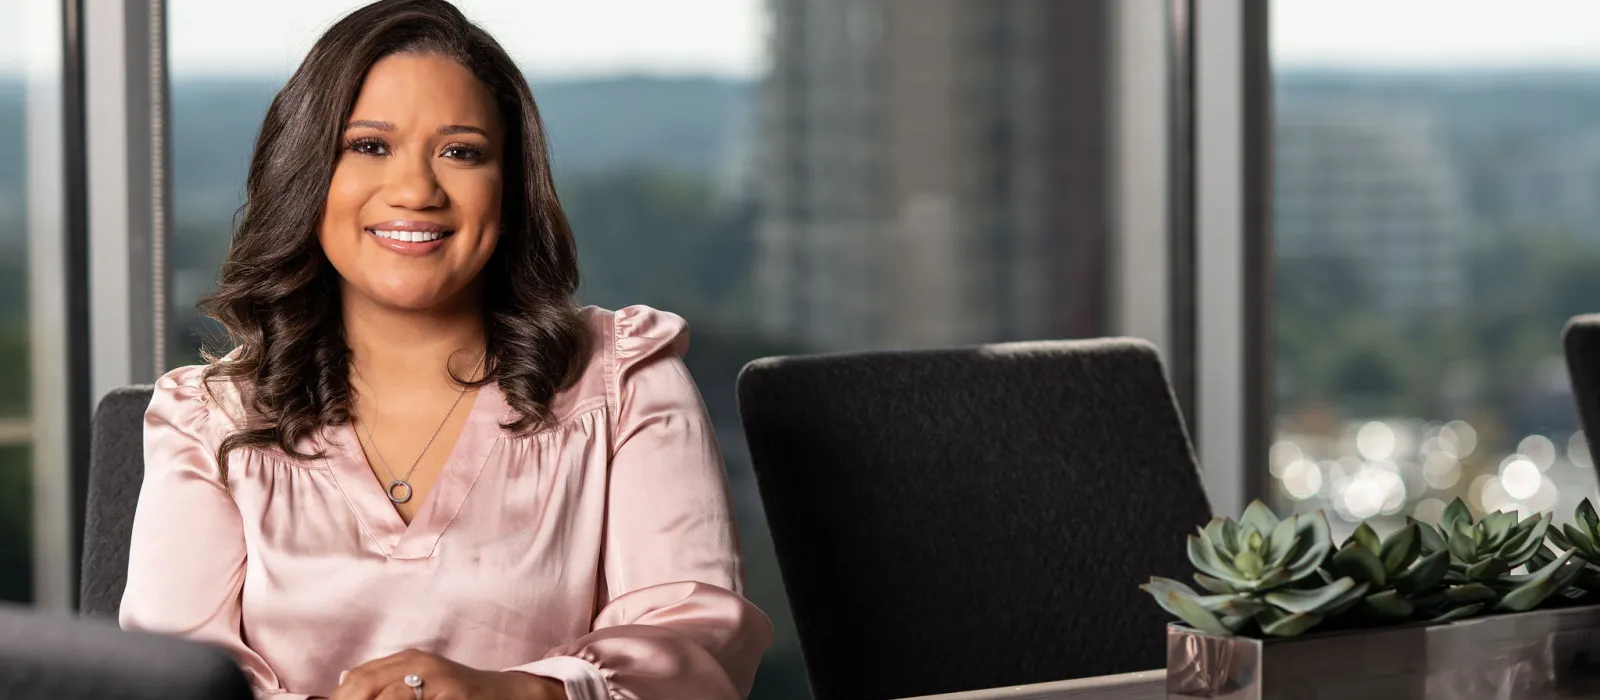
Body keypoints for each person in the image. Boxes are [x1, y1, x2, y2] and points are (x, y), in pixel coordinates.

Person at [118, 1, 773, 698]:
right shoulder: (207, 421)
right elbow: (174, 683)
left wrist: (518, 693)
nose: (416, 190)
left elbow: (696, 655)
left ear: (511, 187)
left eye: (461, 152)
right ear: (306, 174)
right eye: (369, 146)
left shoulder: (624, 382)